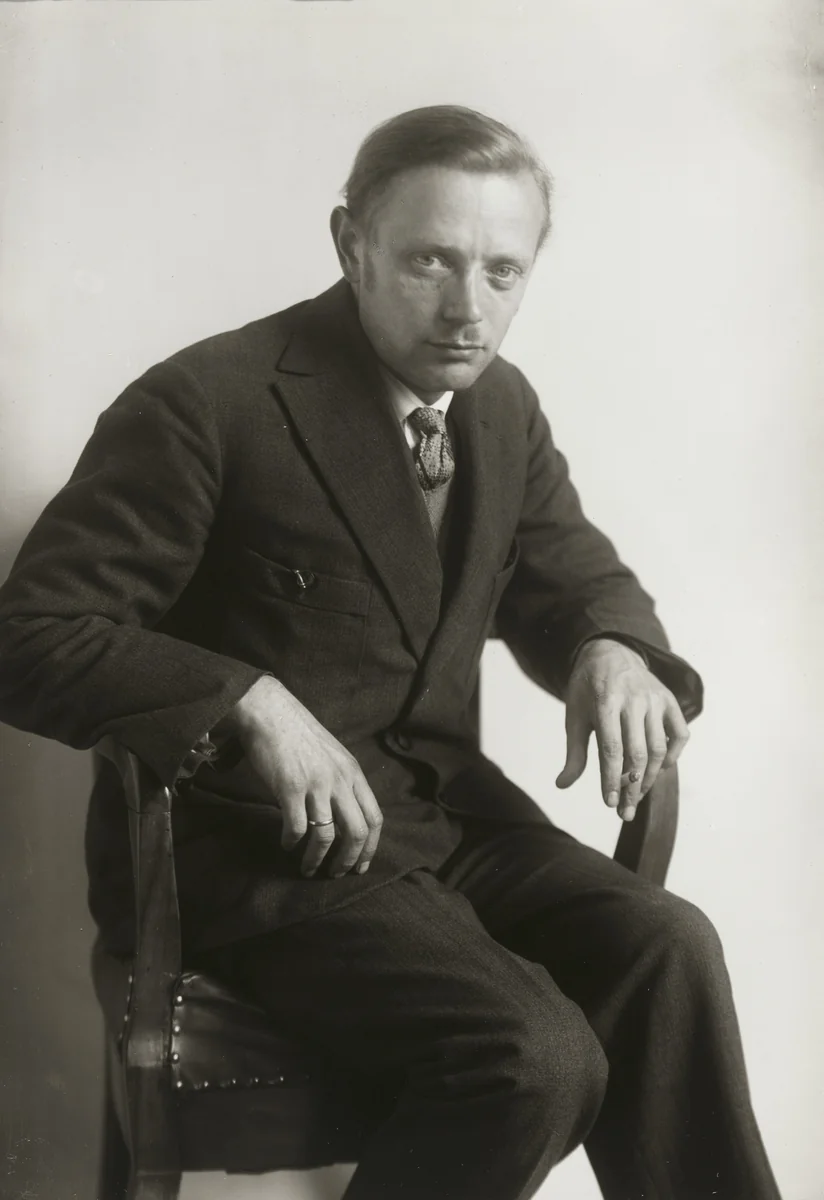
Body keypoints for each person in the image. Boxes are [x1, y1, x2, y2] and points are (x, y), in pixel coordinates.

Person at [0, 105, 780, 1199]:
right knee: (534, 1056)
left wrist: (611, 646)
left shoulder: (498, 408)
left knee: (668, 947)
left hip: (443, 822)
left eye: (502, 272)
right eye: (431, 262)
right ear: (348, 244)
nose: (469, 309)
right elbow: (30, 638)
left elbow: (572, 579)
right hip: (260, 855)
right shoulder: (206, 403)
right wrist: (245, 702)